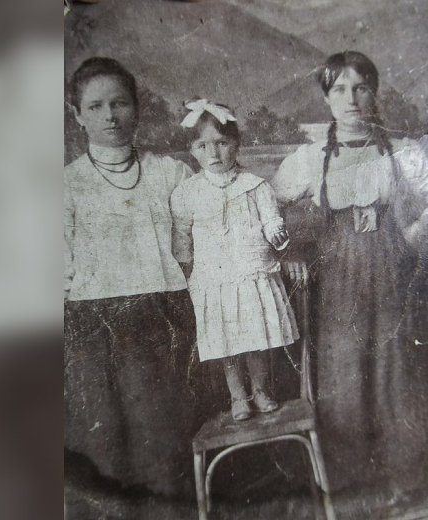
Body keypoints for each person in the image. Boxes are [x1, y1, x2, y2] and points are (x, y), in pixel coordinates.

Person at [270, 51, 428, 494]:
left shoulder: (401, 152)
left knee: (394, 366)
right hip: (336, 278)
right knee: (343, 370)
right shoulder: (310, 159)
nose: (351, 100)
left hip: (391, 270)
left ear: (374, 93)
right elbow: (268, 205)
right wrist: (291, 251)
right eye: (340, 90)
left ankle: (405, 480)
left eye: (361, 88)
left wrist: (413, 234)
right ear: (326, 98)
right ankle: (351, 486)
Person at [64, 57, 200, 503]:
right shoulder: (66, 185)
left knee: (161, 440)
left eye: (119, 103)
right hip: (89, 325)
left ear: (136, 108)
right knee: (100, 443)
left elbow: (200, 243)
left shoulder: (170, 173)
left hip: (161, 317)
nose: (110, 116)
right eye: (96, 106)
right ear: (77, 115)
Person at [171, 100, 299, 421]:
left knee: (256, 337)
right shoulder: (187, 193)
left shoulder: (255, 186)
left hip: (251, 270)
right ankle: (238, 396)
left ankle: (260, 390)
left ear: (236, 143)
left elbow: (271, 218)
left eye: (222, 143)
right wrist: (186, 267)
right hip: (214, 279)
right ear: (192, 150)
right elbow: (182, 237)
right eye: (202, 146)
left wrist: (276, 231)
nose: (213, 154)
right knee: (226, 340)